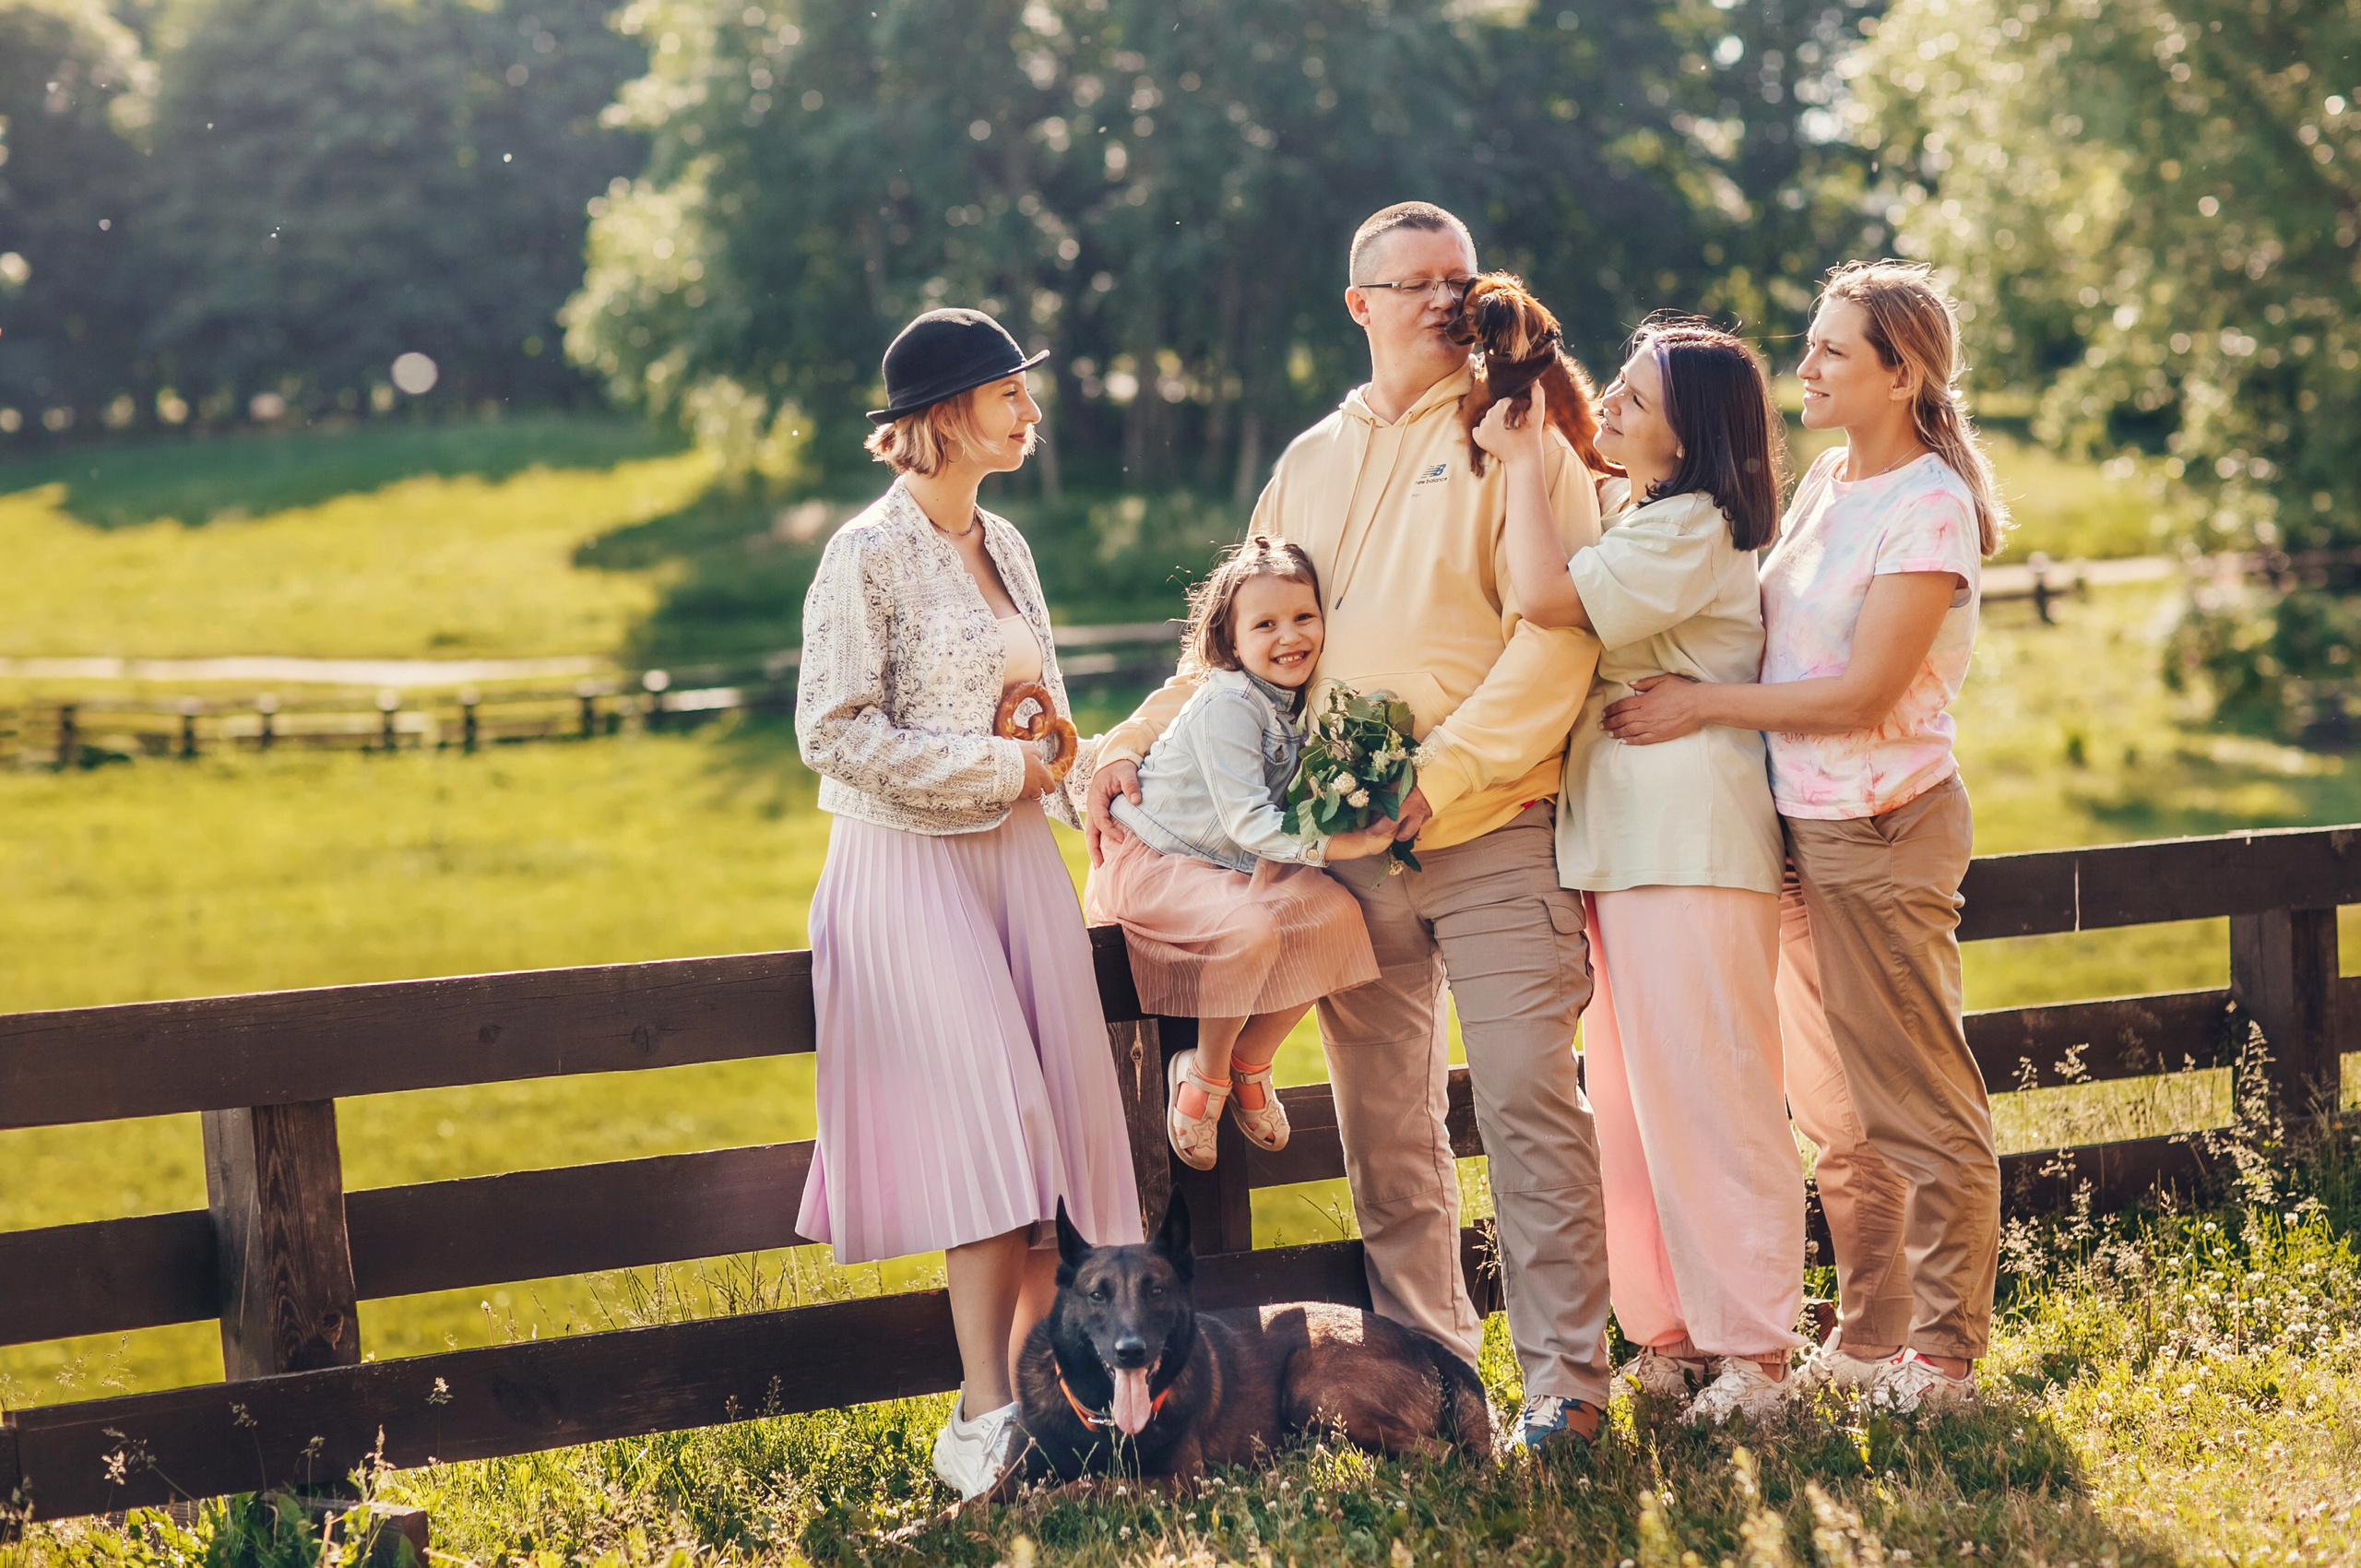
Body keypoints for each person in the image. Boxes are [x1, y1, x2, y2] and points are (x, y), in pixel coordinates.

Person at [1089, 201, 1619, 1448]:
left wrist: (1443, 772)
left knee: (1531, 1106)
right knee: (1388, 1134)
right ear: (1359, 304)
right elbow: (1232, 640)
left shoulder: (1519, 438)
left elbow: (1559, 639)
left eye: (1459, 280)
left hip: (1493, 829)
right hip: (1345, 861)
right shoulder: (1309, 459)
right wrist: (1129, 740)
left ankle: (1566, 1390)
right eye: (1415, 281)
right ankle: (1438, 1385)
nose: (1444, 299)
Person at [1603, 261, 2009, 1413]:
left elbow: (1866, 692)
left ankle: (1945, 1355)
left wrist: (1700, 705)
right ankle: (1871, 1334)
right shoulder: (1833, 480)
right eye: (1812, 342)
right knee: (1836, 1110)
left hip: (1878, 826)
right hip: (1798, 826)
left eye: (1834, 349)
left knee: (1914, 1096)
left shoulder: (1929, 505)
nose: (1807, 366)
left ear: (1902, 372)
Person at [794, 307, 1143, 1501]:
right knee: (999, 1126)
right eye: (1010, 394)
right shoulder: (865, 553)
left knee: (1056, 1145)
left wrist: (1097, 796)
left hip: (1017, 867)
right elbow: (832, 733)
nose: (1030, 412)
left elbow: (1045, 723)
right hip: (905, 869)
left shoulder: (1009, 544)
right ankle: (978, 1420)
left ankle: (1041, 1411)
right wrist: (1004, 772)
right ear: (945, 415)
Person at [1475, 321, 1804, 1425]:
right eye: (1613, 387)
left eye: (1635, 398)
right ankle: (1670, 1331)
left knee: (1710, 1095)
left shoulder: (1695, 524)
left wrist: (1522, 458)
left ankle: (1754, 1349)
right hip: (1622, 843)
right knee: (1628, 1103)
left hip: (1690, 841)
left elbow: (1545, 596)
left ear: (1690, 431)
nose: (1610, 407)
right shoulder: (1641, 512)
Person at [1083, 536, 1396, 1171]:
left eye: (1303, 617)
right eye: (1265, 625)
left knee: (1339, 914)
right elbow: (1250, 822)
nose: (1290, 637)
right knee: (1251, 929)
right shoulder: (1229, 703)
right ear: (1230, 640)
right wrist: (1348, 843)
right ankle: (1204, 1072)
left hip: (1229, 864)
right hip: (1154, 861)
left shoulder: (1300, 700)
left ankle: (1252, 1059)